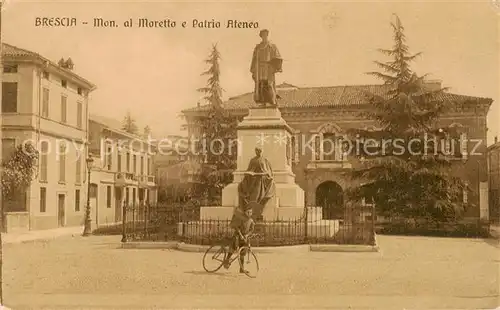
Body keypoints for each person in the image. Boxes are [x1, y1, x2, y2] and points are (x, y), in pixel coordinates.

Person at [237, 147, 276, 220]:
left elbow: (268, 173)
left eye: (260, 151)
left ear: (262, 151)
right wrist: (248, 173)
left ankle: (255, 212)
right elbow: (249, 170)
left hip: (261, 180)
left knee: (256, 195)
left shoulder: (265, 160)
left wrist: (259, 174)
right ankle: (250, 212)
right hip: (252, 180)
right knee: (243, 186)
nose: (258, 152)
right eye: (257, 151)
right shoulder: (252, 160)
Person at [250, 29, 283, 106]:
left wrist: (275, 66)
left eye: (265, 35)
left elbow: (278, 57)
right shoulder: (258, 47)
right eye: (262, 35)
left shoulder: (272, 46)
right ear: (261, 36)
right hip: (259, 69)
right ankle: (263, 102)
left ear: (267, 35)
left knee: (269, 84)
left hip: (268, 68)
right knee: (261, 85)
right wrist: (254, 70)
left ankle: (273, 101)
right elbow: (254, 59)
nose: (264, 36)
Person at [224, 206, 255, 273]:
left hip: (244, 238)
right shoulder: (241, 219)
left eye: (251, 212)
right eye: (248, 212)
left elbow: (251, 230)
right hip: (237, 236)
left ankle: (241, 269)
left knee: (242, 253)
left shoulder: (251, 221)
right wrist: (240, 234)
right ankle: (227, 260)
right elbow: (236, 227)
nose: (249, 213)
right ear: (245, 212)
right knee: (232, 248)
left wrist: (247, 235)